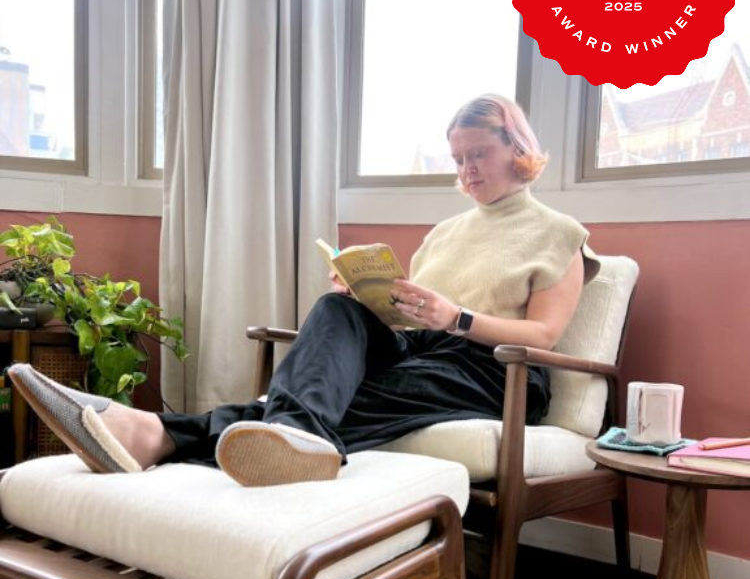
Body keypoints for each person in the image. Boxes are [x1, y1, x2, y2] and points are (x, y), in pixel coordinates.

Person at [9, 94, 600, 488]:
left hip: (493, 370)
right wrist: (371, 295)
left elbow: (544, 334)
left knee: (335, 400)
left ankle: (160, 433)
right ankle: (288, 435)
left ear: (517, 149)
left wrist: (458, 317)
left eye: (480, 154)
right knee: (336, 307)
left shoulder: (558, 234)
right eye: (458, 158)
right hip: (422, 350)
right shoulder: (446, 232)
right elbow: (409, 320)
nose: (467, 170)